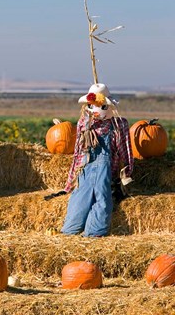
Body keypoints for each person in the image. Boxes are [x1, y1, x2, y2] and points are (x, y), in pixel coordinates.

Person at [49, 83, 134, 237]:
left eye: (101, 107)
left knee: (102, 199)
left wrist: (126, 174)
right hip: (85, 167)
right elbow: (78, 153)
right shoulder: (84, 123)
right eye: (91, 106)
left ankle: (93, 233)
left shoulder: (118, 124)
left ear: (108, 107)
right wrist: (70, 183)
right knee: (79, 199)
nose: (95, 111)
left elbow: (125, 150)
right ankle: (70, 231)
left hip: (105, 169)